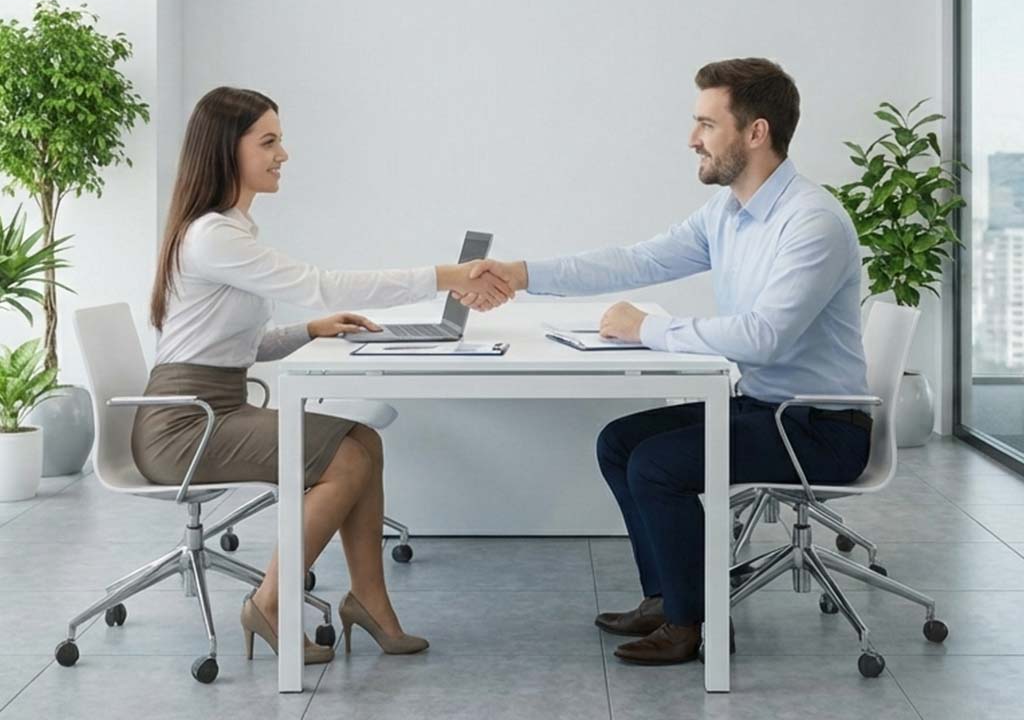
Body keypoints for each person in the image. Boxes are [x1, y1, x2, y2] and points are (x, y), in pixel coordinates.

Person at [459, 58, 872, 665]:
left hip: (821, 428)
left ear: (755, 132)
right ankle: (668, 595)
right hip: (766, 408)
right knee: (620, 444)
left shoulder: (811, 222)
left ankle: (694, 625)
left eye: (706, 124)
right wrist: (521, 274)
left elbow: (764, 338)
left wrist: (647, 328)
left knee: (657, 465)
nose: (691, 139)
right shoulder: (728, 213)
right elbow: (634, 261)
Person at [137, 86, 512, 664]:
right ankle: (270, 603)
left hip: (215, 407)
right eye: (268, 141)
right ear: (224, 151)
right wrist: (445, 275)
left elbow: (234, 345)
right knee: (347, 457)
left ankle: (369, 601)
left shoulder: (230, 232)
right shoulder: (214, 236)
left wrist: (307, 331)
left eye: (279, 140)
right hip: (185, 425)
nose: (283, 153)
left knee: (363, 440)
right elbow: (325, 283)